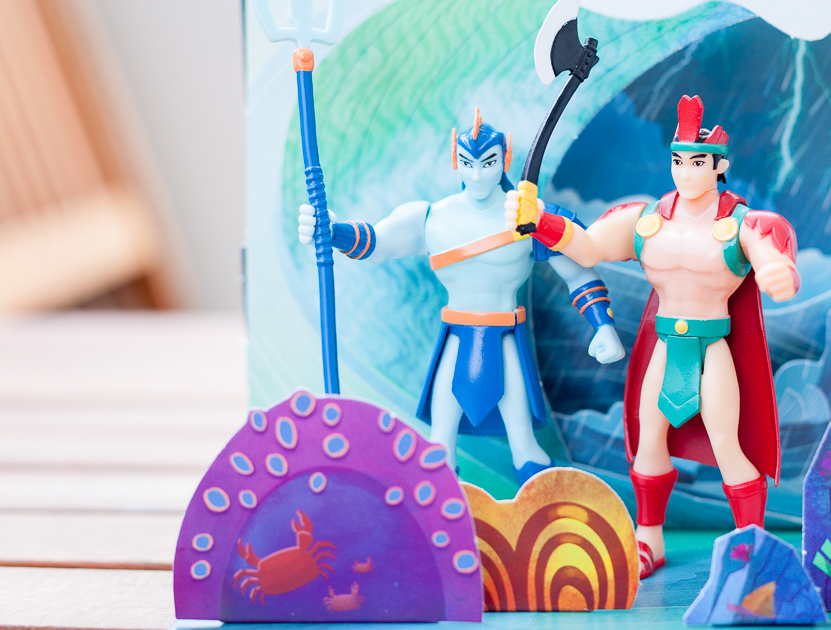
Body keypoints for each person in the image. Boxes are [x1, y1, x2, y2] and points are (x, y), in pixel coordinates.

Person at [506, 95, 798, 577]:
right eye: (678, 161)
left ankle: (752, 543)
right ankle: (649, 539)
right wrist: (542, 221)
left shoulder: (740, 224)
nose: (685, 172)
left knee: (727, 445)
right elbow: (589, 248)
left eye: (697, 162)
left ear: (719, 166)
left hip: (712, 349)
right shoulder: (647, 220)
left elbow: (771, 255)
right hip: (665, 348)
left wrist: (775, 272)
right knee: (649, 442)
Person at [299, 108, 624, 484]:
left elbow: (578, 272)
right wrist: (330, 231)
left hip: (505, 337)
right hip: (457, 338)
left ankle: (538, 492)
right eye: (468, 163)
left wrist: (603, 325)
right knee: (440, 443)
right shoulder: (431, 218)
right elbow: (377, 241)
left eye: (488, 163)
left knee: (524, 444)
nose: (477, 175)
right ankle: (440, 496)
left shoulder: (531, 218)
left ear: (505, 157)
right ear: (456, 159)